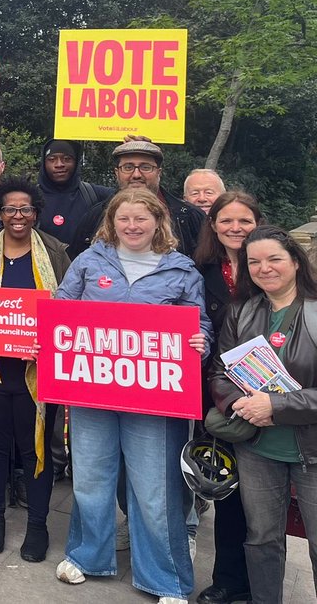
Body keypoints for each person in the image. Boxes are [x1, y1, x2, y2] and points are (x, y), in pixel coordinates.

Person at [53, 187, 210, 604]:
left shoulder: (182, 270)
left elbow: (202, 326)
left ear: (159, 221)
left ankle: (166, 580)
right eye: (124, 219)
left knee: (155, 488)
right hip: (91, 388)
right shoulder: (89, 261)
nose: (132, 226)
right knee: (90, 478)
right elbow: (61, 307)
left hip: (156, 400)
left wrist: (200, 343)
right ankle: (87, 556)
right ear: (112, 222)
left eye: (141, 218)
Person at [0, 177, 70, 562]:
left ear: (36, 213)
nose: (18, 216)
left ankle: (37, 526)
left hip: (38, 371)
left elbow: (70, 312)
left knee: (34, 449)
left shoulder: (56, 252)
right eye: (10, 209)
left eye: (25, 209)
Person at [210, 226, 317, 604]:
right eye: (254, 261)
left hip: (311, 451)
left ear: (294, 260)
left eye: (274, 259)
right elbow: (220, 373)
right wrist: (240, 404)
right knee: (262, 540)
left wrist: (276, 406)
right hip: (257, 448)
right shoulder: (241, 311)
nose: (264, 268)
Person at [192, 191, 261, 604]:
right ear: (213, 225)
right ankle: (229, 579)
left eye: (245, 221)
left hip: (273, 386)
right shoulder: (199, 270)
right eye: (227, 221)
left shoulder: (272, 264)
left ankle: (262, 580)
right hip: (218, 387)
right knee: (229, 486)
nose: (236, 228)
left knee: (264, 491)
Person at [71, 138, 206, 259]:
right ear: (117, 173)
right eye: (128, 167)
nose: (136, 174)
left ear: (159, 172)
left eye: (145, 167)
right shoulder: (95, 216)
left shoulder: (190, 216)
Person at [36, 139, 113, 247]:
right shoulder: (31, 197)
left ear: (76, 162)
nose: (59, 164)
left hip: (84, 263)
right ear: (44, 163)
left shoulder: (93, 194)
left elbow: (131, 194)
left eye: (67, 159)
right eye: (52, 159)